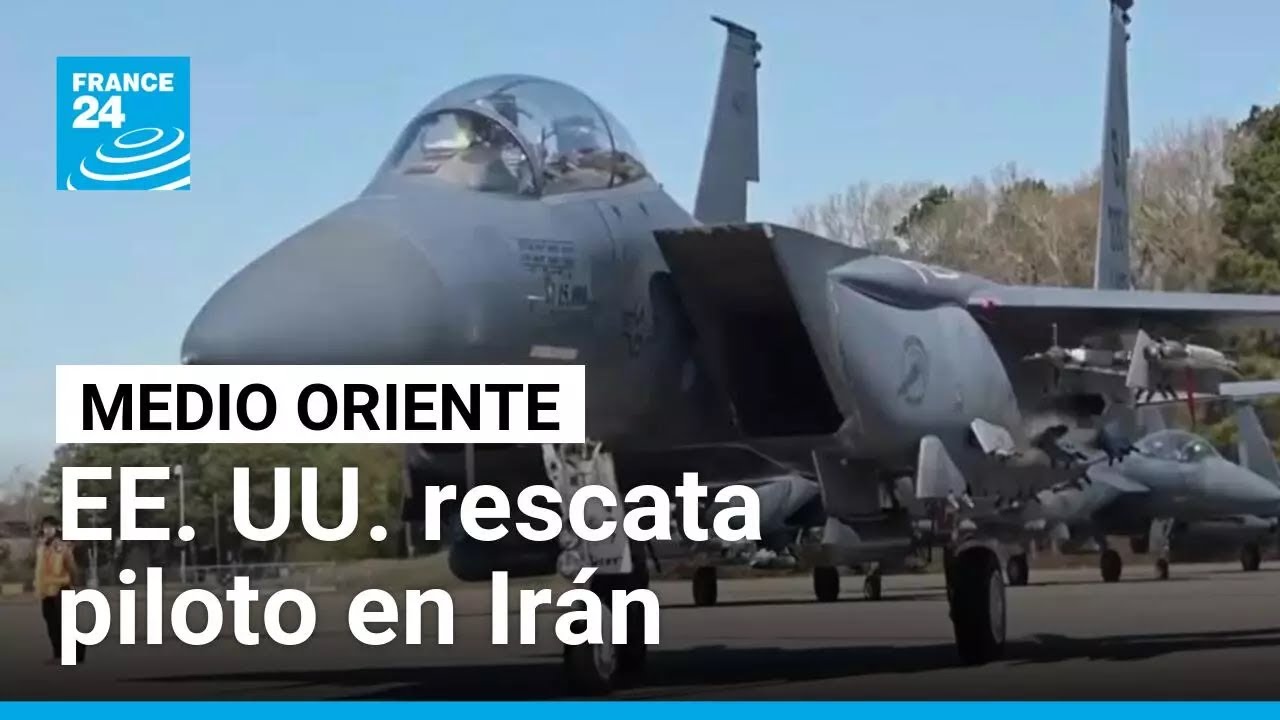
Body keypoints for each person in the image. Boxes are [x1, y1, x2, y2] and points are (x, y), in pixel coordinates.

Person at [34, 515, 86, 664]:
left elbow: (71, 566)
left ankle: (77, 652)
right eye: (45, 527)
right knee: (52, 624)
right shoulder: (41, 547)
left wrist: (74, 582)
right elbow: (39, 569)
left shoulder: (62, 546)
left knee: (64, 623)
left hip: (62, 587)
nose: (47, 530)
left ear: (56, 529)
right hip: (46, 590)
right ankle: (58, 654)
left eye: (50, 527)